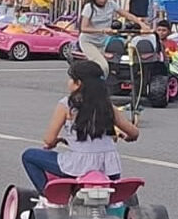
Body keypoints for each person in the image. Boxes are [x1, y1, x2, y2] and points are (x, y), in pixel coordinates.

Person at [20, 60, 138, 193]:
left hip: (77, 167)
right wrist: (127, 137)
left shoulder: (66, 105)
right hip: (109, 170)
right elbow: (134, 133)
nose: (68, 82)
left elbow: (48, 139)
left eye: (71, 79)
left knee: (29, 156)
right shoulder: (108, 106)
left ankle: (48, 194)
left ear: (78, 84)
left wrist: (55, 141)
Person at [78, 0, 148, 49]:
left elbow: (128, 15)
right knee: (101, 61)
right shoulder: (89, 7)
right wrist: (103, 30)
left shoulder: (111, 4)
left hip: (104, 41)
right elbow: (84, 28)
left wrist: (141, 24)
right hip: (89, 42)